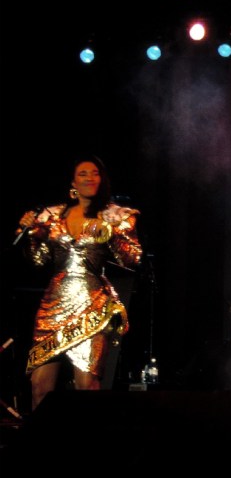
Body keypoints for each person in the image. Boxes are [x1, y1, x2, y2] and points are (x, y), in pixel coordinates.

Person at [15, 155, 142, 410]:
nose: (89, 178)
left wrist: (112, 232)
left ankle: (87, 447)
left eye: (94, 173)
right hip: (54, 305)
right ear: (73, 181)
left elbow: (133, 258)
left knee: (86, 385)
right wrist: (32, 235)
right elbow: (38, 261)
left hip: (91, 304)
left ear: (101, 179)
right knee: (40, 385)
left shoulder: (115, 215)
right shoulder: (52, 216)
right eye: (83, 174)